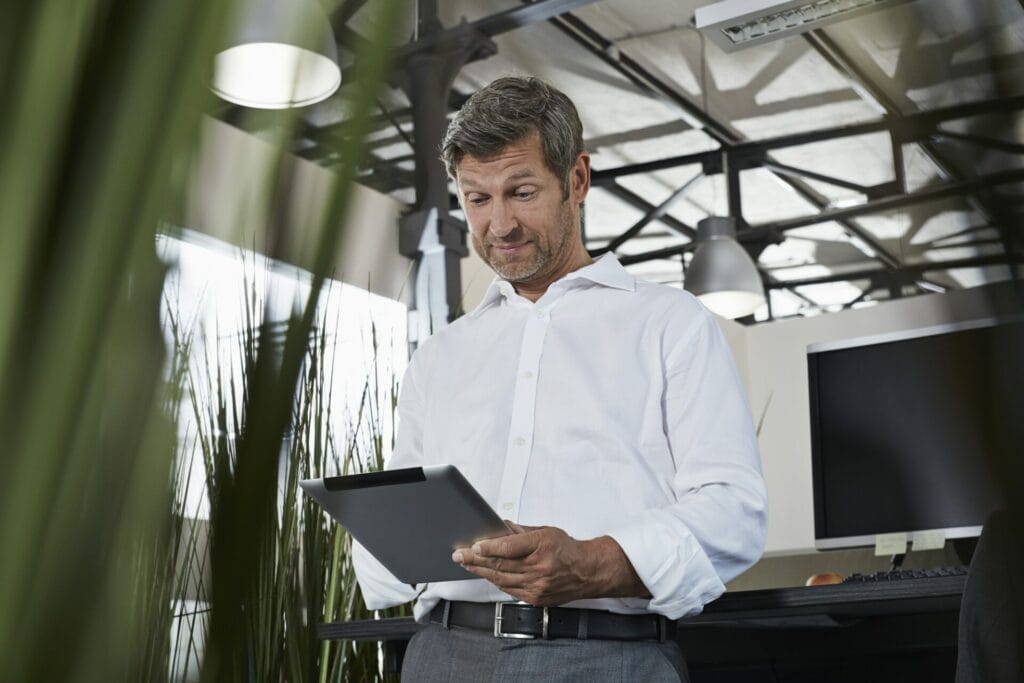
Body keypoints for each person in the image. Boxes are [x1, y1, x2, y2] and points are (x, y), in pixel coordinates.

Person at [352, 75, 768, 682]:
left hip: (610, 659)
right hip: (442, 657)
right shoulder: (439, 356)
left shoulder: (669, 324)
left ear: (577, 180)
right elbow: (393, 538)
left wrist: (594, 561)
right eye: (477, 199)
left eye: (521, 192)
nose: (499, 225)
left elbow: (734, 512)